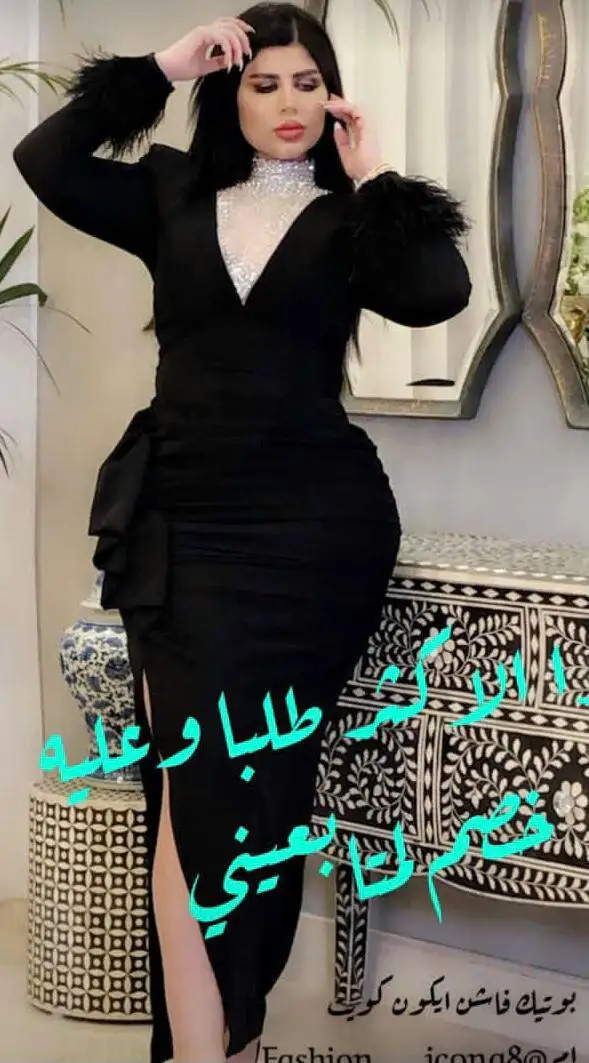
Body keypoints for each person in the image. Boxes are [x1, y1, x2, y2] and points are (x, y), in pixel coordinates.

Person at [13, 4, 471, 1061]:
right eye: (264, 83)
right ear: (230, 93)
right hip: (185, 528)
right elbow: (45, 159)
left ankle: (228, 1035)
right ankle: (204, 1044)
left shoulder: (351, 219)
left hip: (314, 536)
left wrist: (374, 175)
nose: (288, 104)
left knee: (261, 793)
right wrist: (165, 63)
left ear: (332, 95)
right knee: (193, 790)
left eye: (308, 83)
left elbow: (437, 291)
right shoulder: (170, 192)